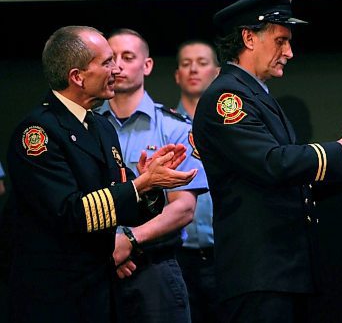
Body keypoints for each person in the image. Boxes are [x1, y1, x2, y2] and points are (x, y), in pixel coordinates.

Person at [192, 0, 342, 322]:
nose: (290, 52)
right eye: (281, 40)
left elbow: (292, 183)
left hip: (281, 271)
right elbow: (273, 164)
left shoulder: (255, 94)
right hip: (258, 274)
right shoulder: (227, 99)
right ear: (249, 38)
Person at [5, 25, 197, 323]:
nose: (116, 68)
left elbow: (120, 208)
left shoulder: (100, 127)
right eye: (107, 62)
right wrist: (139, 185)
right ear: (77, 77)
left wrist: (147, 184)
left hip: (101, 290)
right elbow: (72, 212)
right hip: (55, 296)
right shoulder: (39, 133)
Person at [95, 28, 208, 323]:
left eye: (127, 57)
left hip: (154, 267)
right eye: (110, 58)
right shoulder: (87, 128)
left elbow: (183, 208)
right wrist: (110, 248)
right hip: (96, 267)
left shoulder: (174, 128)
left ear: (147, 66)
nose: (117, 66)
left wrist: (129, 240)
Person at [173, 39, 220, 323]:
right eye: (186, 64)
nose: (193, 70)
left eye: (202, 63)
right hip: (178, 255)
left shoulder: (230, 126)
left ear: (216, 72)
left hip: (223, 253)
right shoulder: (164, 126)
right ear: (177, 75)